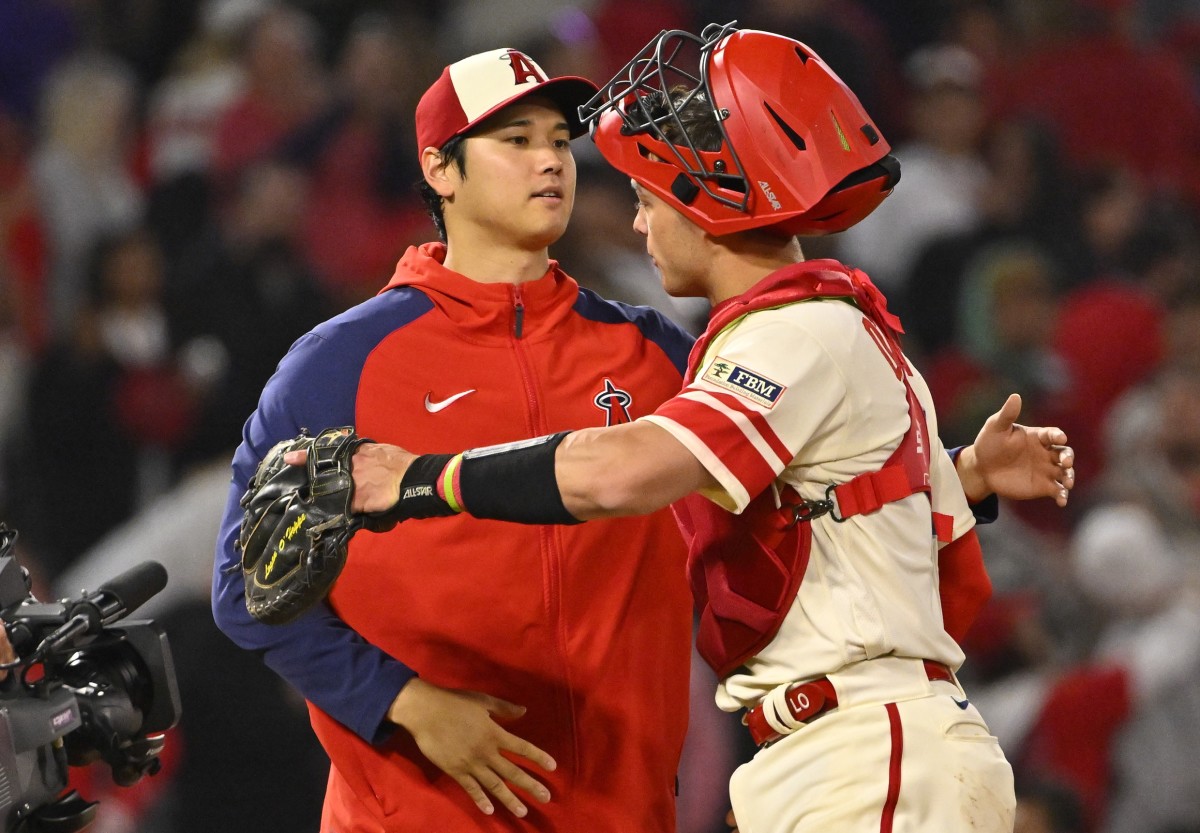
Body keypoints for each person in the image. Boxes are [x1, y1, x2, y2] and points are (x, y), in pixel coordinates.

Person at [324, 25, 1075, 832]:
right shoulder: (825, 325)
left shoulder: (794, 331)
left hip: (868, 750)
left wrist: (421, 480)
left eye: (650, 200)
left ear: (708, 201)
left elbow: (622, 470)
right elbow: (854, 506)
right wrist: (962, 472)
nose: (640, 227)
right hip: (842, 749)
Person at [212, 47, 698, 833]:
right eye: (515, 140)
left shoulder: (651, 352)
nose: (550, 161)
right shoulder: (341, 363)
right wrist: (403, 702)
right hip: (416, 812)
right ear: (441, 169)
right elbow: (246, 589)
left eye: (556, 139)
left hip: (622, 811)